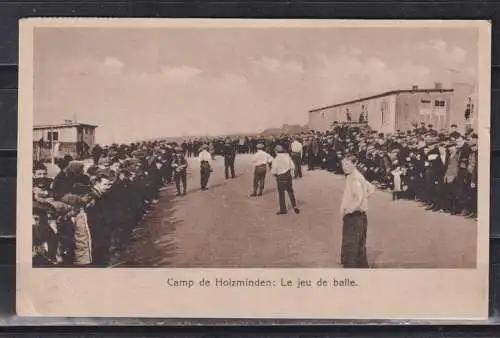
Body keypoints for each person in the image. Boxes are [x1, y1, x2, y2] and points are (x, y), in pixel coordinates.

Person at [340, 156, 375, 268]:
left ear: (354, 164)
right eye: (343, 164)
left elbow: (358, 198)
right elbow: (371, 188)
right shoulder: (356, 176)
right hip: (359, 216)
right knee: (359, 244)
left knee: (352, 245)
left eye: (347, 164)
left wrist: (349, 210)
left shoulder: (355, 178)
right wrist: (365, 197)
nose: (344, 167)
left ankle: (352, 272)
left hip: (354, 216)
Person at [270, 145, 300, 215]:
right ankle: (294, 206)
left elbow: (273, 171)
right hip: (288, 176)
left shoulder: (275, 159)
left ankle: (283, 210)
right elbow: (292, 166)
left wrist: (276, 176)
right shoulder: (287, 157)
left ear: (276, 151)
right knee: (290, 192)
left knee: (281, 194)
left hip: (280, 177)